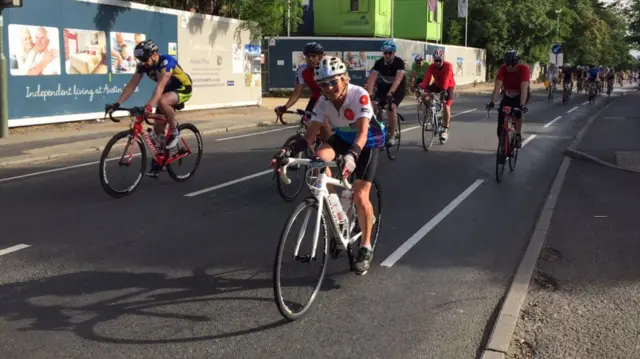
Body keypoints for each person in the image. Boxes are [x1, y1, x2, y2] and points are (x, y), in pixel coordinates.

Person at [272, 56, 385, 275]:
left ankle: (366, 246)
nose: (329, 88)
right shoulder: (323, 102)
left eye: (334, 82)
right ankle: (339, 216)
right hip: (343, 137)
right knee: (317, 162)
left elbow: (362, 133)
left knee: (361, 195)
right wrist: (286, 153)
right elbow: (308, 138)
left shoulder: (358, 95)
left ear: (345, 79)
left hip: (369, 141)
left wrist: (352, 156)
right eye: (323, 84)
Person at [105, 40, 193, 176]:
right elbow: (131, 85)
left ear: (154, 55)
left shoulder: (167, 62)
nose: (143, 63)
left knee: (162, 101)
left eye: (145, 59)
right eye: (141, 60)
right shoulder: (143, 66)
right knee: (157, 130)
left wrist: (149, 106)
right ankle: (161, 160)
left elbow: (160, 86)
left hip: (183, 88)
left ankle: (175, 132)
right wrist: (117, 104)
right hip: (166, 92)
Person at [486, 50, 530, 151]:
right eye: (507, 64)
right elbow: (497, 88)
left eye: (512, 64)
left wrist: (522, 105)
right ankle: (502, 146)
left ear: (517, 63)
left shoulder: (524, 69)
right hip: (507, 94)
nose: (509, 67)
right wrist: (492, 102)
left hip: (520, 94)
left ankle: (518, 134)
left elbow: (524, 89)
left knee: (518, 112)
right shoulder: (503, 69)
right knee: (501, 119)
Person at [365, 40, 406, 147]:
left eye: (390, 53)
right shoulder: (379, 63)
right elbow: (372, 78)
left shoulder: (399, 62)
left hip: (397, 89)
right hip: (383, 87)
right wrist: (369, 94)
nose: (387, 55)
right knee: (373, 106)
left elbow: (397, 80)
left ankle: (392, 135)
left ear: (394, 53)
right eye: (385, 53)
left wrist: (390, 94)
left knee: (391, 107)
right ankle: (378, 129)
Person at [275, 42, 324, 119]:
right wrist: (285, 107)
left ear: (320, 57)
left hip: (329, 97)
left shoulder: (326, 68)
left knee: (325, 122)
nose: (310, 59)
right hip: (316, 97)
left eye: (314, 56)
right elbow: (297, 92)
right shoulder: (302, 70)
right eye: (308, 56)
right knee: (306, 119)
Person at [419, 49, 456, 141]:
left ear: (443, 59)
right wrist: (421, 87)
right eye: (436, 60)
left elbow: (447, 79)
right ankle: (431, 110)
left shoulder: (448, 66)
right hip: (437, 85)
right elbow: (426, 79)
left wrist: (443, 91)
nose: (438, 62)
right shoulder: (431, 67)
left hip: (448, 86)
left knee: (446, 106)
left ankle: (445, 129)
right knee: (423, 95)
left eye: (440, 60)